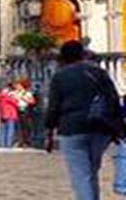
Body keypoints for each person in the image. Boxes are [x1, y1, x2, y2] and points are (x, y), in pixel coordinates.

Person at [46, 40, 122, 200]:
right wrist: (119, 127)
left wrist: (49, 129)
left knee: (81, 174)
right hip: (100, 127)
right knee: (91, 171)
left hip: (71, 128)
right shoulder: (99, 73)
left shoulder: (60, 76)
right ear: (83, 54)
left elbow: (53, 106)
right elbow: (113, 100)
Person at [0, 80, 20, 149]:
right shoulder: (7, 97)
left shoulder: (0, 97)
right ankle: (8, 144)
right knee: (10, 130)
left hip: (2, 115)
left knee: (3, 130)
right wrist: (14, 97)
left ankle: (2, 144)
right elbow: (16, 103)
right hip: (10, 114)